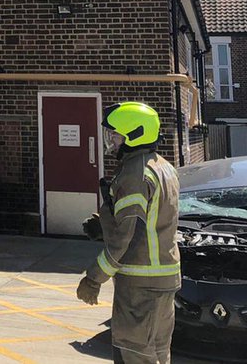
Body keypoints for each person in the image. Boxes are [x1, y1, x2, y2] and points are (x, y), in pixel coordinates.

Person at [76, 102, 180, 364]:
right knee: (157, 352)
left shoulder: (134, 174)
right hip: (164, 278)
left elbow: (126, 238)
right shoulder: (163, 167)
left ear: (135, 134)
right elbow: (148, 223)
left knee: (133, 354)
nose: (112, 141)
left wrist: (93, 278)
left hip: (140, 284)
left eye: (116, 135)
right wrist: (106, 224)